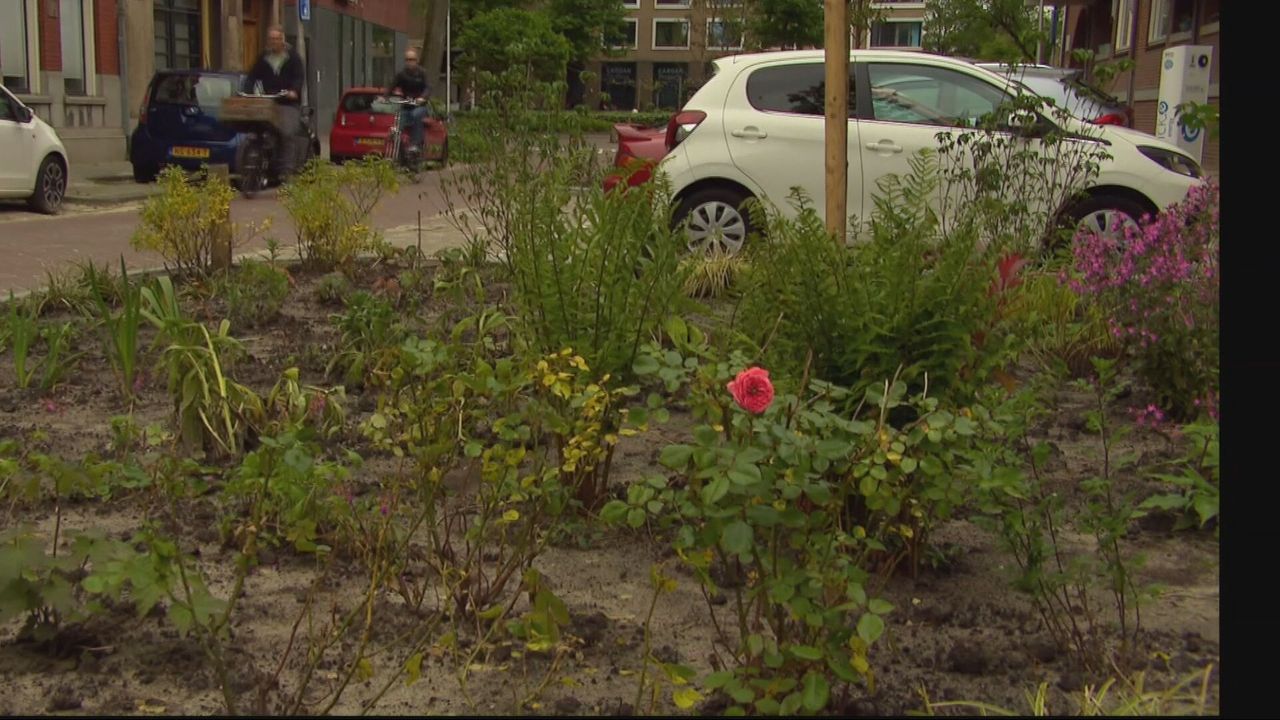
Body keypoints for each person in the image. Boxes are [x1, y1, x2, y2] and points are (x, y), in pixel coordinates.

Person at [245, 25, 306, 177]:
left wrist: (294, 90)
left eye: (277, 39)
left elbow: (299, 77)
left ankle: (286, 172)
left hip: (287, 103)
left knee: (287, 133)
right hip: (269, 101)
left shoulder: (293, 58)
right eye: (271, 39)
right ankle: (256, 160)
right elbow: (252, 76)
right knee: (257, 128)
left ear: (283, 39)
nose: (274, 42)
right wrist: (247, 90)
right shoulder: (264, 58)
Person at [386, 49, 431, 152]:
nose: (409, 62)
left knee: (416, 115)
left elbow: (428, 88)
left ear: (416, 60)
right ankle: (397, 149)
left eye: (412, 59)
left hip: (420, 106)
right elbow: (391, 86)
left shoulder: (422, 73)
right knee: (397, 122)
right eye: (407, 60)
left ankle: (415, 144)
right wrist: (384, 96)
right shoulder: (401, 74)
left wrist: (422, 98)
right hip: (406, 105)